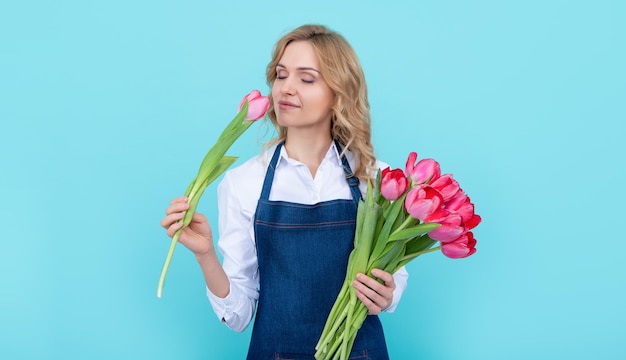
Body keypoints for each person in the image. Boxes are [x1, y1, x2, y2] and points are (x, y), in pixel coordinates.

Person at [160, 24, 409, 360]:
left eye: (306, 79)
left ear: (339, 92)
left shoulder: (377, 179)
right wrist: (205, 255)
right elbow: (239, 316)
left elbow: (395, 275)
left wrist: (387, 293)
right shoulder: (243, 183)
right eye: (280, 75)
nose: (286, 89)